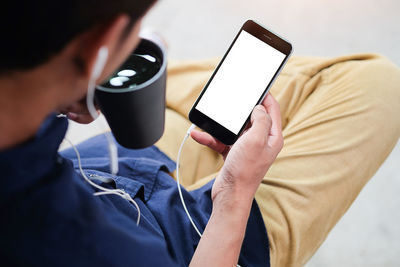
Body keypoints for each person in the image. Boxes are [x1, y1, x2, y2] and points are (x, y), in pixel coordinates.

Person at [0, 1, 399, 267]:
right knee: (378, 83)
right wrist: (236, 191)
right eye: (135, 24)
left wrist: (55, 95)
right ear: (98, 45)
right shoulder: (100, 250)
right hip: (198, 235)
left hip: (107, 162)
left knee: (160, 81)